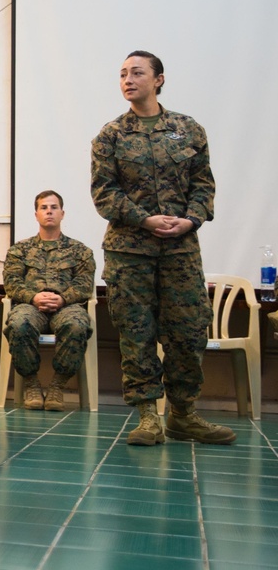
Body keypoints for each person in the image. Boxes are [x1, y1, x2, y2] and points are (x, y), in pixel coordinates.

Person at [92, 49, 235, 446]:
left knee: (188, 332)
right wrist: (145, 219)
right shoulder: (111, 135)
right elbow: (104, 194)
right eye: (122, 74)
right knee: (137, 334)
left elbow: (204, 185)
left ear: (159, 79)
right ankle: (147, 418)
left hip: (180, 251)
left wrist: (190, 219)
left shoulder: (188, 129)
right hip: (129, 251)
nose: (127, 79)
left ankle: (184, 415)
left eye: (137, 72)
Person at [3, 190, 95, 411]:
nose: (49, 212)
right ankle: (31, 383)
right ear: (36, 214)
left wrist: (62, 299)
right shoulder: (19, 250)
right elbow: (11, 282)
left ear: (62, 213)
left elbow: (84, 284)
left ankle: (57, 386)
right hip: (30, 305)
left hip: (67, 306)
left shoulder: (80, 251)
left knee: (77, 325)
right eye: (44, 208)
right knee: (18, 323)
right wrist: (32, 297)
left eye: (54, 207)